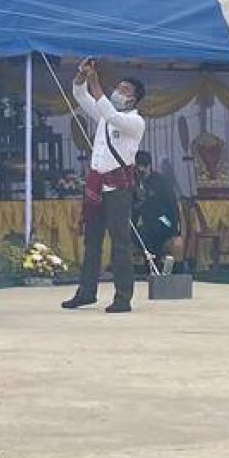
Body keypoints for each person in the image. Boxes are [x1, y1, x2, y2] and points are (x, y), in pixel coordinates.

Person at [62, 59, 146, 314]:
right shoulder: (104, 115)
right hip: (97, 186)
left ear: (133, 100)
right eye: (117, 88)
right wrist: (82, 75)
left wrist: (96, 82)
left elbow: (109, 113)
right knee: (92, 241)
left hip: (118, 188)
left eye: (124, 91)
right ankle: (86, 292)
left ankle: (123, 297)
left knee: (120, 243)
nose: (118, 93)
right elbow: (79, 94)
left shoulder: (134, 122)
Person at [133, 151, 180, 266]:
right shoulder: (134, 181)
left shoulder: (161, 182)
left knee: (152, 229)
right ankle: (149, 263)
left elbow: (171, 208)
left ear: (149, 166)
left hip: (165, 220)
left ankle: (155, 263)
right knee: (133, 232)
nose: (140, 172)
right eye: (137, 168)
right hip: (143, 222)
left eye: (143, 168)